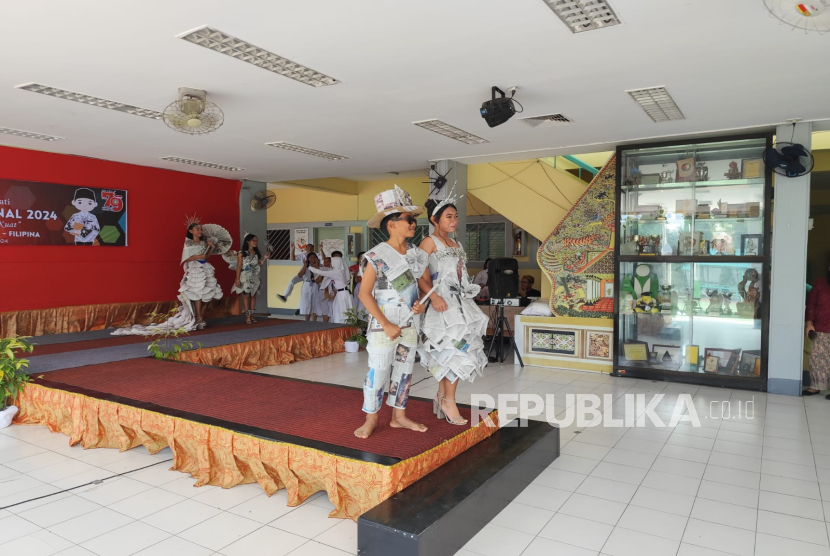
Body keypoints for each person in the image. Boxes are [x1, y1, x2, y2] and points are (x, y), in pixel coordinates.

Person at [354, 185, 430, 439]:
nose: (412, 224)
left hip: (409, 323)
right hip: (382, 325)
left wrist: (421, 304)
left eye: (414, 220)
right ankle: (371, 418)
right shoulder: (376, 256)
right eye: (408, 219)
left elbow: (421, 291)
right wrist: (385, 323)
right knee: (378, 371)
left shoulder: (418, 255)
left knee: (405, 371)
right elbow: (364, 294)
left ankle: (399, 416)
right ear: (391, 224)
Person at [418, 194, 488, 426]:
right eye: (449, 216)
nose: (454, 220)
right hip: (442, 306)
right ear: (434, 220)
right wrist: (434, 296)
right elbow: (419, 275)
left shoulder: (455, 244)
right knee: (453, 351)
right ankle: (449, 400)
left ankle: (441, 397)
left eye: (455, 216)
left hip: (460, 305)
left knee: (460, 350)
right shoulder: (429, 242)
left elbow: (460, 275)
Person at [180, 221, 223, 328]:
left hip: (204, 267)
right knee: (197, 292)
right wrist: (199, 257)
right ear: (191, 231)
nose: (200, 231)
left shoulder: (203, 243)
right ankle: (198, 317)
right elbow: (186, 258)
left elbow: (205, 257)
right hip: (195, 268)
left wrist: (211, 248)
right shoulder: (189, 243)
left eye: (200, 229)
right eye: (197, 229)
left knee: (203, 292)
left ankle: (198, 316)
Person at [229, 234, 270, 324]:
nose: (255, 243)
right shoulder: (242, 253)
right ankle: (247, 316)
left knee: (253, 295)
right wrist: (237, 279)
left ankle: (252, 315)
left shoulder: (256, 253)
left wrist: (264, 258)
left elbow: (257, 265)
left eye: (256, 241)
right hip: (245, 276)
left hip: (254, 276)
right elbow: (239, 267)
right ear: (248, 241)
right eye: (253, 241)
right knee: (246, 296)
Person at [805, 259, 830, 397]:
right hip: (821, 327)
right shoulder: (819, 284)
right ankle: (816, 386)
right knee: (818, 358)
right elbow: (811, 305)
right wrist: (809, 323)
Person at [307, 251, 354, 323]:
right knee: (339, 311)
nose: (330, 263)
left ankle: (342, 327)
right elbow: (324, 269)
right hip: (341, 293)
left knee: (342, 312)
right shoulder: (338, 270)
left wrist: (309, 267)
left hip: (342, 294)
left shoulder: (336, 272)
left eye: (332, 261)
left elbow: (321, 272)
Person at [298, 253, 321, 322]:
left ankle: (314, 320)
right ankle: (307, 321)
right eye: (311, 257)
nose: (312, 259)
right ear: (308, 259)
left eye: (314, 257)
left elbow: (319, 273)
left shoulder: (319, 266)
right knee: (306, 303)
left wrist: (317, 265)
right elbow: (300, 275)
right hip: (307, 284)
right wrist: (305, 265)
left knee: (315, 303)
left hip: (315, 284)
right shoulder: (305, 266)